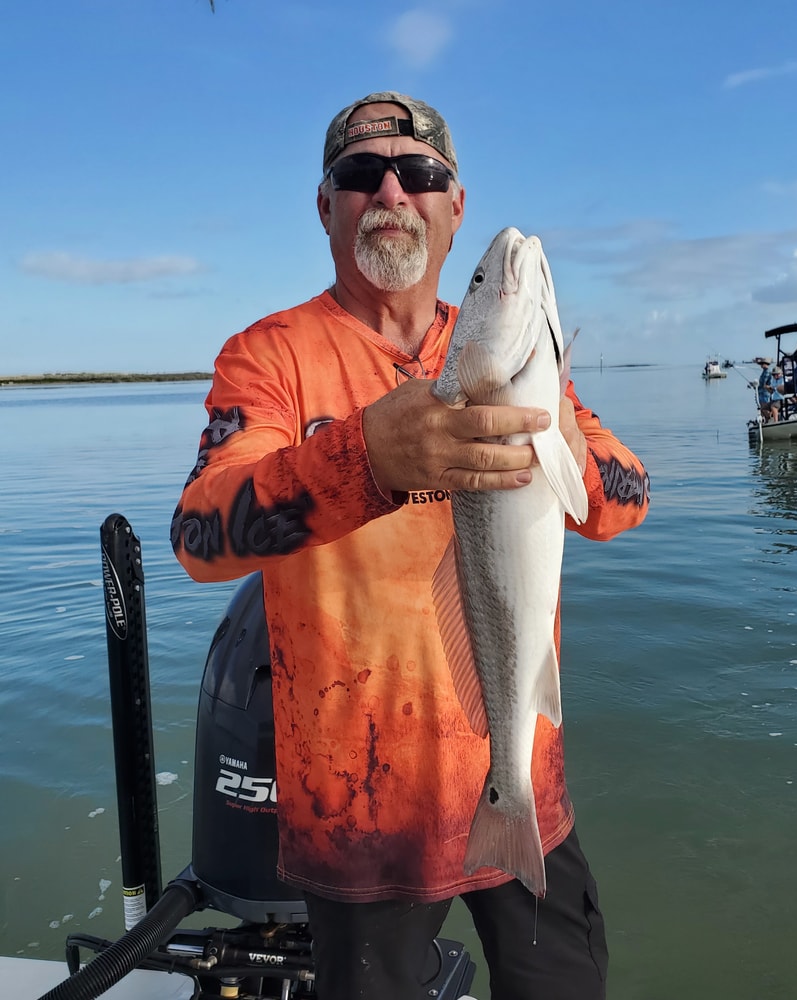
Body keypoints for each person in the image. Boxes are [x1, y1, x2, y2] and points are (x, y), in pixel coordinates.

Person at [171, 91, 650, 1000]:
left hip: (522, 786)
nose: (392, 190)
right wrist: (365, 458)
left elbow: (624, 501)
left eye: (420, 173)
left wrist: (564, 442)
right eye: (361, 173)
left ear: (453, 206)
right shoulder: (269, 356)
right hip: (358, 815)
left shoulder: (518, 359)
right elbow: (200, 534)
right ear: (326, 206)